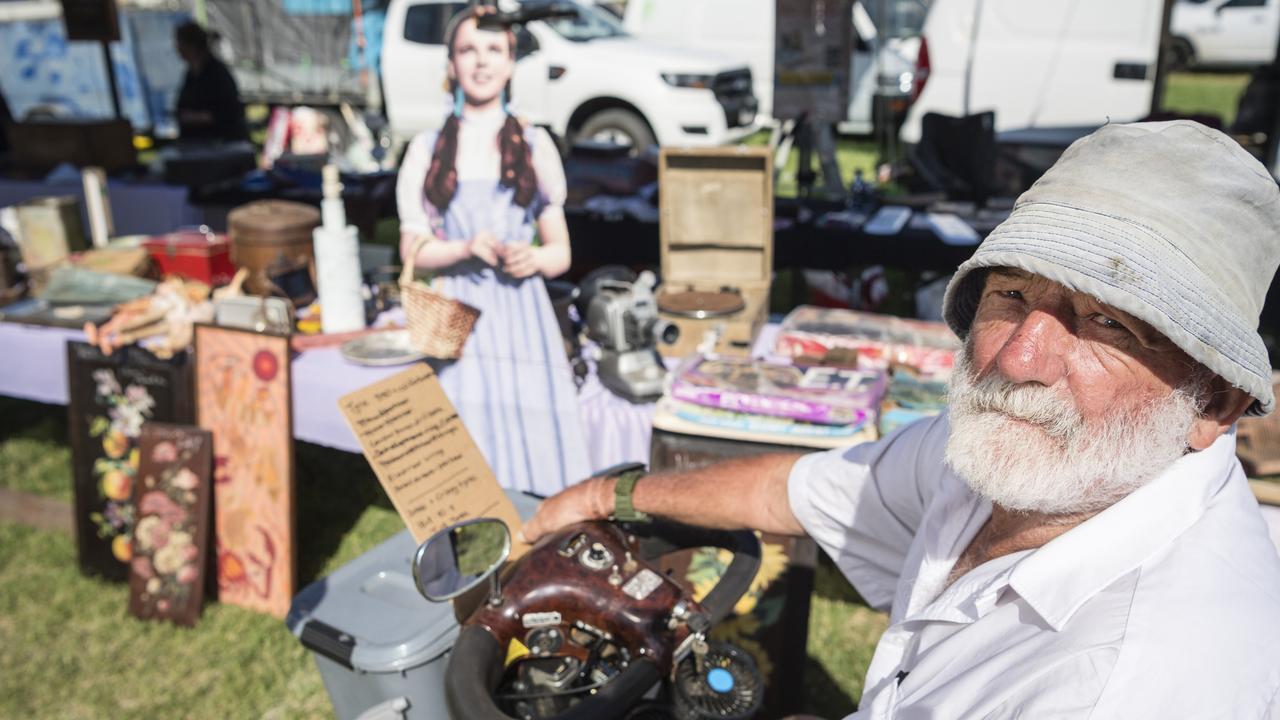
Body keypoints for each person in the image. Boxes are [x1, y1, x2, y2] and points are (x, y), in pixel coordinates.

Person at [523, 120, 1280, 717]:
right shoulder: (1012, 462)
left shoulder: (1133, 683)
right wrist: (606, 497)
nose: (1019, 360)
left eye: (1109, 325)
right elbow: (788, 490)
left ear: (1211, 403)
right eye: (1011, 295)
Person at [396, 7, 590, 496]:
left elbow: (560, 250)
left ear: (510, 63)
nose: (481, 63)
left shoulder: (533, 143)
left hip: (523, 319)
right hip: (459, 320)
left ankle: (536, 550)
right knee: (461, 452)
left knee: (536, 442)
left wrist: (535, 259)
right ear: (451, 64)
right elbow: (412, 249)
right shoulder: (428, 147)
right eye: (467, 50)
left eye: (493, 50)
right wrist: (463, 247)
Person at [173, 22, 248, 143]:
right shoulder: (191, 74)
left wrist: (199, 117)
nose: (176, 48)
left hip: (223, 141)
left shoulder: (217, 73)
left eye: (180, 44)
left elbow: (230, 111)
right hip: (196, 142)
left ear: (192, 46)